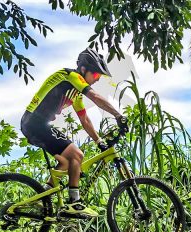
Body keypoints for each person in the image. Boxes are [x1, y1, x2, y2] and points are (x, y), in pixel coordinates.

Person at [20, 47, 128, 217]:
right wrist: (118, 115)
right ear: (84, 70)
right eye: (96, 75)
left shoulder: (75, 95)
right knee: (76, 154)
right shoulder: (70, 76)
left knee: (66, 163)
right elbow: (96, 97)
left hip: (38, 124)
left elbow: (84, 120)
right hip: (34, 121)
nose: (97, 79)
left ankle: (40, 200)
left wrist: (99, 141)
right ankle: (74, 203)